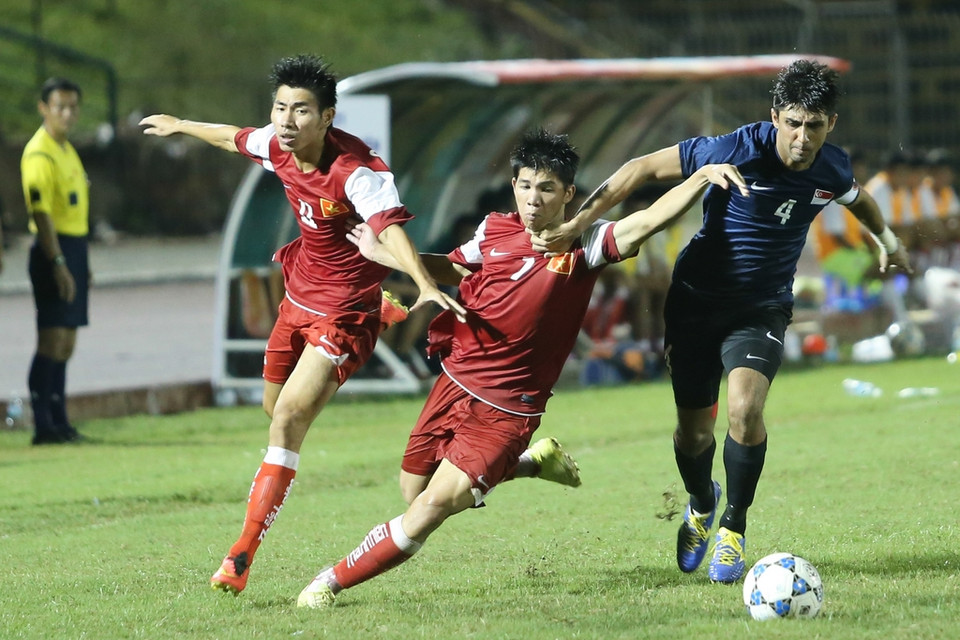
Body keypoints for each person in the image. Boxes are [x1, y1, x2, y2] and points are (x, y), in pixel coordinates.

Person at [296, 128, 748, 608]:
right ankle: (531, 463)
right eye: (526, 185)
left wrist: (699, 176)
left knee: (430, 509)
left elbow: (646, 220)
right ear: (514, 186)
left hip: (507, 410)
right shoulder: (494, 229)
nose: (534, 199)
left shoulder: (583, 247)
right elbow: (454, 267)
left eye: (548, 188)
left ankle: (328, 583)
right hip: (453, 383)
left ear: (569, 194)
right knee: (413, 490)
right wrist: (383, 255)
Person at [530, 60, 913, 583]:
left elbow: (858, 198)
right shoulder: (736, 148)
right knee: (693, 433)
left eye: (815, 125)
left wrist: (887, 241)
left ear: (832, 124)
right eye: (794, 123)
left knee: (744, 411)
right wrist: (576, 223)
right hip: (696, 300)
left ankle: (733, 528)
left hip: (762, 306)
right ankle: (700, 501)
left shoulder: (832, 168)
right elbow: (639, 168)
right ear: (776, 116)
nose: (803, 138)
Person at [140, 54, 464, 595]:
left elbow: (389, 228)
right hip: (296, 301)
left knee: (288, 418)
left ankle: (239, 557)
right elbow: (232, 138)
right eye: (280, 108)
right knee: (274, 410)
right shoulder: (277, 144)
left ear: (328, 117)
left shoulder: (358, 172)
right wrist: (180, 125)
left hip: (343, 313)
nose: (287, 121)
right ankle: (384, 313)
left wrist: (424, 282)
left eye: (301, 111)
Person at [20, 77, 90, 445]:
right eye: (60, 106)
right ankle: (42, 424)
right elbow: (42, 214)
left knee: (67, 342)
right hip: (53, 250)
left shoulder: (66, 148)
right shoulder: (39, 153)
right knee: (51, 340)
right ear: (43, 108)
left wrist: (81, 262)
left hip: (74, 247)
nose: (67, 113)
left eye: (73, 106)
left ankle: (60, 421)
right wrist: (59, 261)